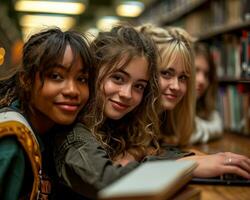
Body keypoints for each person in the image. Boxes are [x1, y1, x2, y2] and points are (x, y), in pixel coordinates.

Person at [52, 25, 193, 199]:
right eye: (118, 78)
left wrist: (140, 152)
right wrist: (187, 165)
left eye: (139, 86)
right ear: (93, 73)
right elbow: (108, 182)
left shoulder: (117, 124)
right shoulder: (72, 129)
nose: (127, 94)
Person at [137, 24, 250, 179]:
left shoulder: (169, 114)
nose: (176, 86)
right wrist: (187, 164)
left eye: (183, 77)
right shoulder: (128, 117)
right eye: (166, 73)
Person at [0, 27, 93, 199]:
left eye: (82, 79)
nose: (73, 91)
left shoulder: (50, 133)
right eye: (56, 76)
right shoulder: (12, 140)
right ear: (26, 80)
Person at [190, 42, 223, 144]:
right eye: (196, 70)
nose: (202, 80)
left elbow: (218, 124)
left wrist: (197, 128)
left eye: (206, 74)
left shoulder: (201, 104)